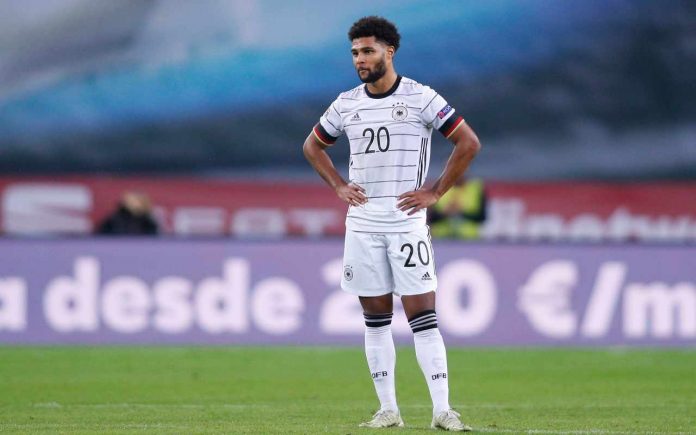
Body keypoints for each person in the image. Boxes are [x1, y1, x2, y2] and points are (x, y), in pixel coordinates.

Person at [303, 16, 481, 431]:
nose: (359, 60)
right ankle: (388, 410)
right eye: (354, 53)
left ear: (389, 51)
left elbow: (468, 142)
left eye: (367, 51)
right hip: (363, 225)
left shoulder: (421, 97)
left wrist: (436, 192)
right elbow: (312, 146)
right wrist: (338, 185)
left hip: (405, 224)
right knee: (376, 319)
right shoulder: (346, 103)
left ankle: (443, 411)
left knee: (423, 317)